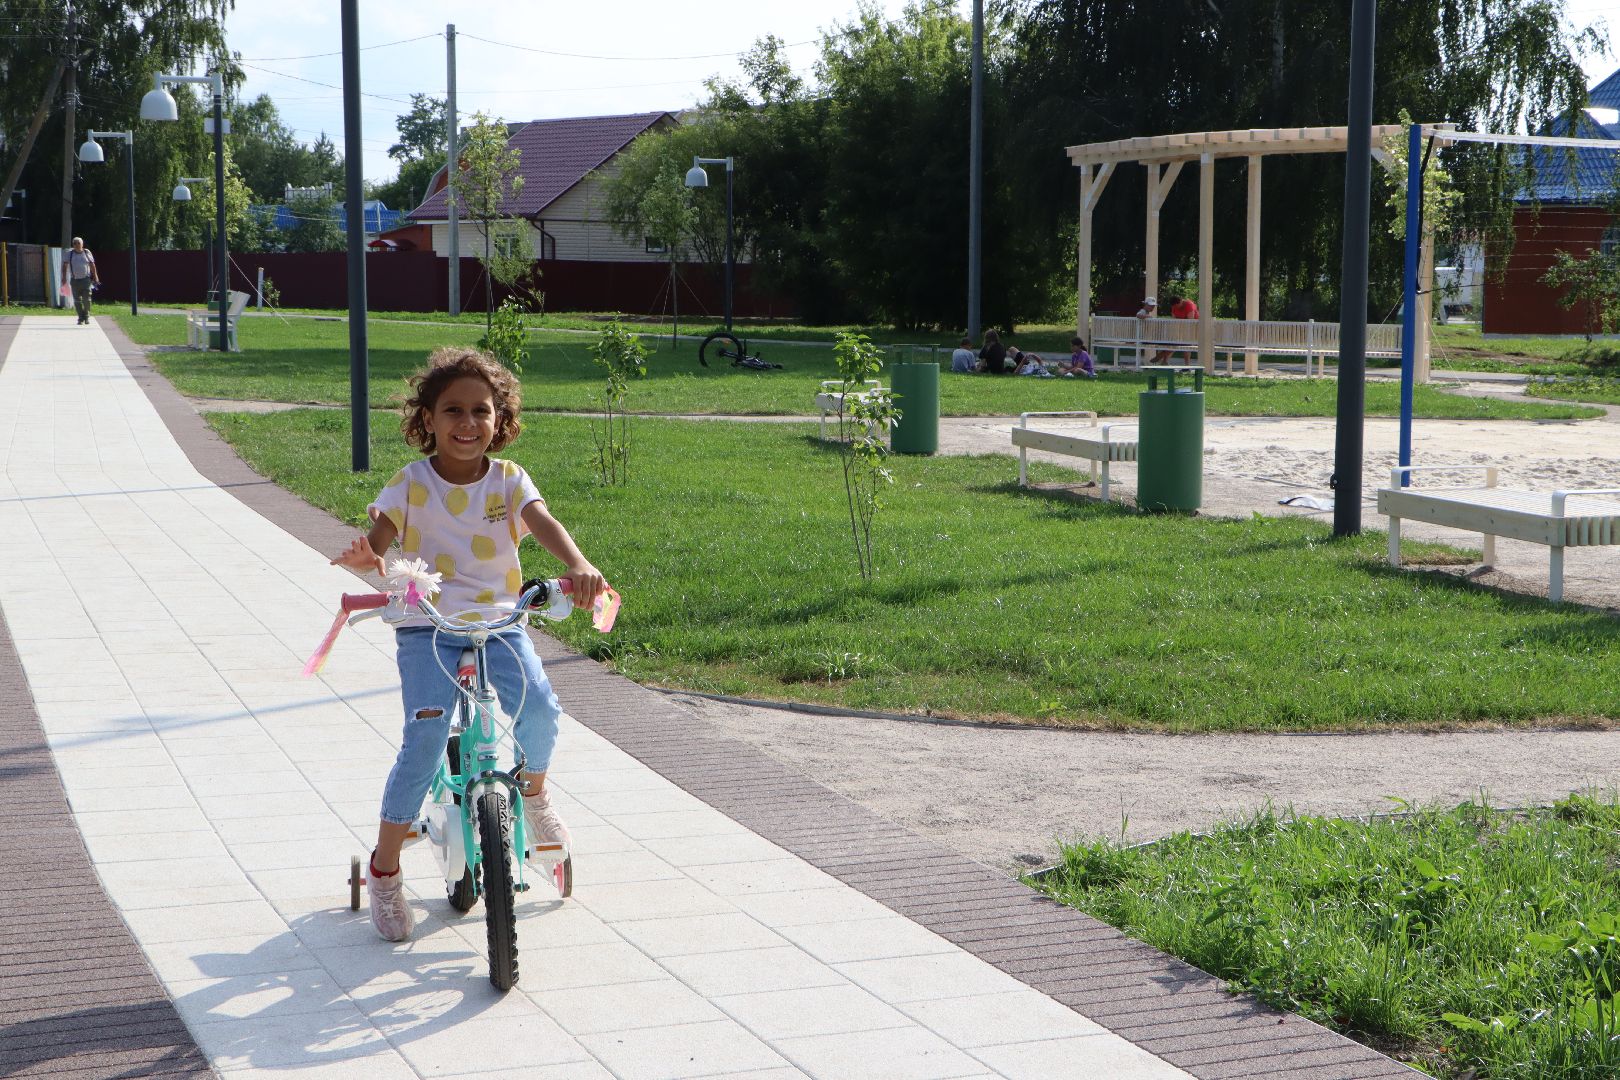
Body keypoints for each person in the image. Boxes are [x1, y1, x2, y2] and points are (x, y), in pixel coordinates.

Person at [331, 346, 607, 942]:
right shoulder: (410, 484)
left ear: (499, 419)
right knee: (426, 733)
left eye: (481, 411)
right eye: (452, 410)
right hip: (426, 621)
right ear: (427, 418)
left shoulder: (509, 480)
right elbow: (378, 542)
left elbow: (543, 523)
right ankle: (385, 868)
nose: (466, 423)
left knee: (537, 703)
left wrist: (580, 565)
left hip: (498, 621)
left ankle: (531, 789)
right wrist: (370, 559)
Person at [61, 237, 100, 325]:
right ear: (73, 245)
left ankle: (86, 316)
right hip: (74, 280)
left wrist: (95, 276)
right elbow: (64, 266)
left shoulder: (86, 252)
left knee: (87, 300)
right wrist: (64, 278)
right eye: (75, 243)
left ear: (82, 244)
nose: (77, 245)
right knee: (77, 300)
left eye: (78, 243)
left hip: (86, 280)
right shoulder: (69, 254)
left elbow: (92, 265)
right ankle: (80, 318)